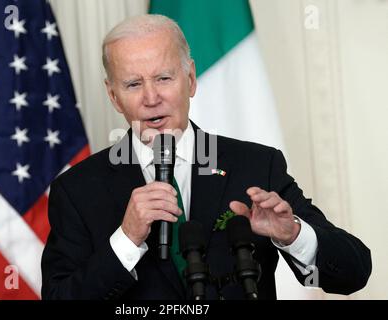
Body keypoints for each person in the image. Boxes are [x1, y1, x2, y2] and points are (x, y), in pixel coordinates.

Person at [41, 14, 371, 300]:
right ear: (114, 96)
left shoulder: (256, 165)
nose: (151, 98)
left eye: (164, 78)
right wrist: (126, 240)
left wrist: (294, 234)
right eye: (133, 84)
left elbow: (354, 272)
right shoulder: (77, 190)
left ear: (191, 79)